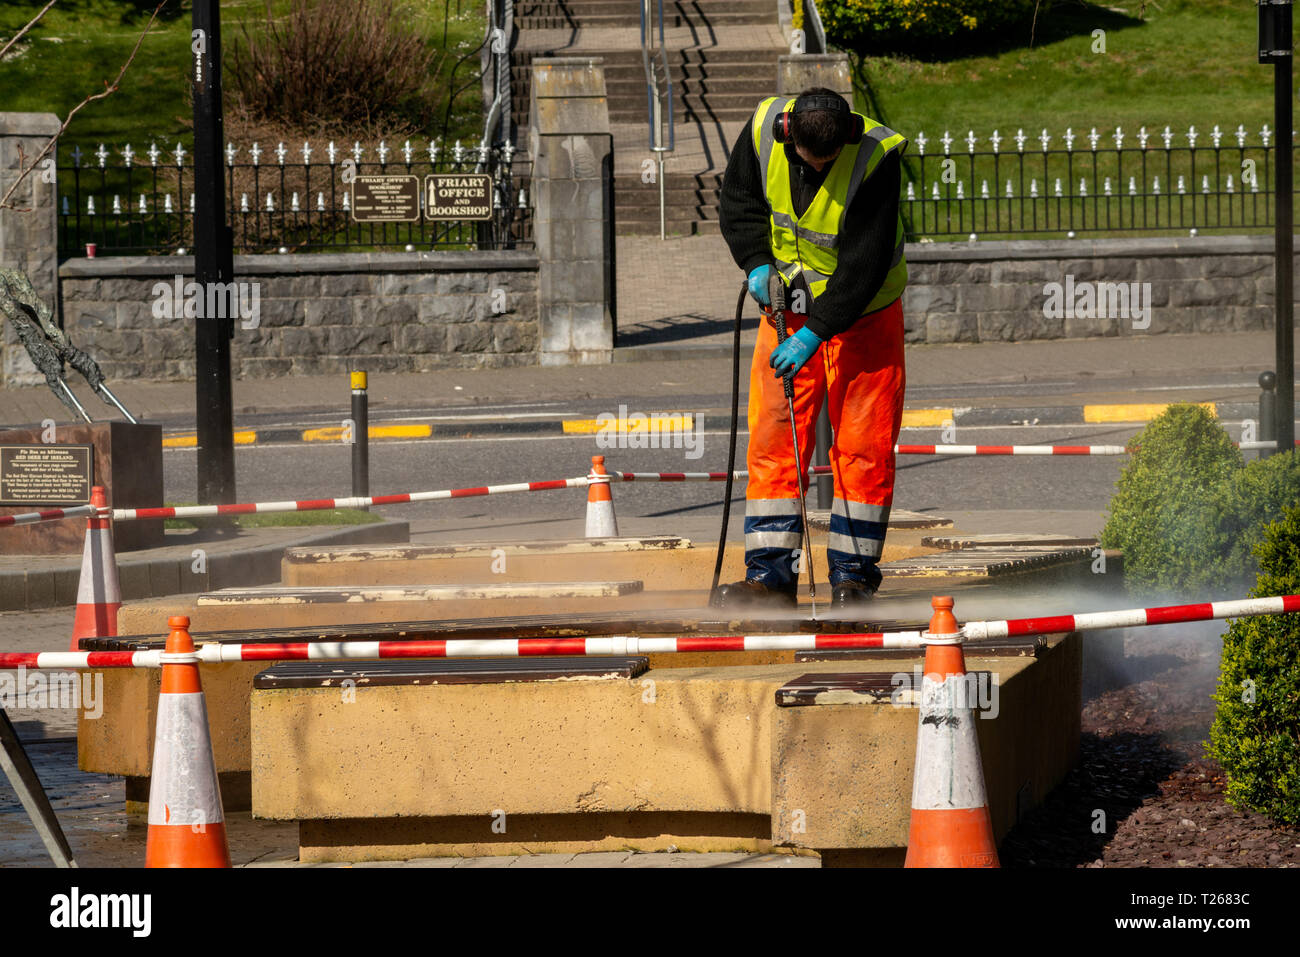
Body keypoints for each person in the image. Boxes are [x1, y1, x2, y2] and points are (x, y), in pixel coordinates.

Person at [713, 87, 908, 610]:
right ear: (788, 135)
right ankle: (772, 580)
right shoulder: (762, 129)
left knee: (863, 447)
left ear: (846, 136)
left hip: (863, 316)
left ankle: (853, 580)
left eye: (829, 162)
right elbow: (739, 202)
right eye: (810, 162)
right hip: (785, 315)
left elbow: (864, 264)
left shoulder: (876, 157)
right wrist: (755, 261)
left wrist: (815, 332)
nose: (820, 171)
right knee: (775, 440)